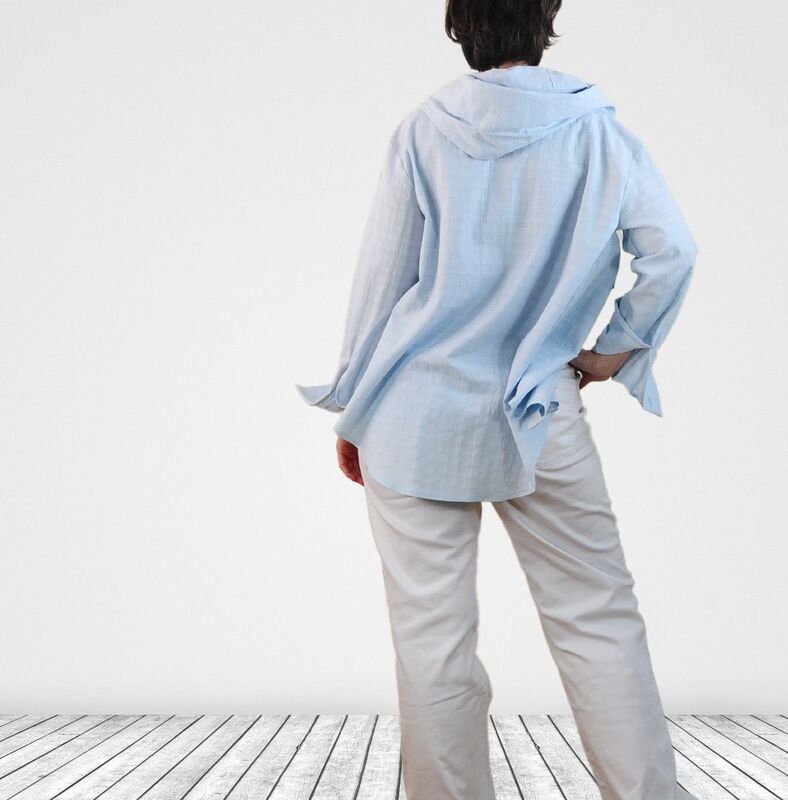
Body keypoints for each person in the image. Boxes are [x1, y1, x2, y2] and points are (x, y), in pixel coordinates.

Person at [295, 1, 699, 798]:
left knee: (431, 639)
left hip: (414, 411)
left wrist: (355, 403)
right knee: (596, 617)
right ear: (546, 16)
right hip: (540, 409)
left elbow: (383, 280)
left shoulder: (424, 129)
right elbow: (673, 251)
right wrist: (614, 351)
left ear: (460, 24)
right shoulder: (597, 130)